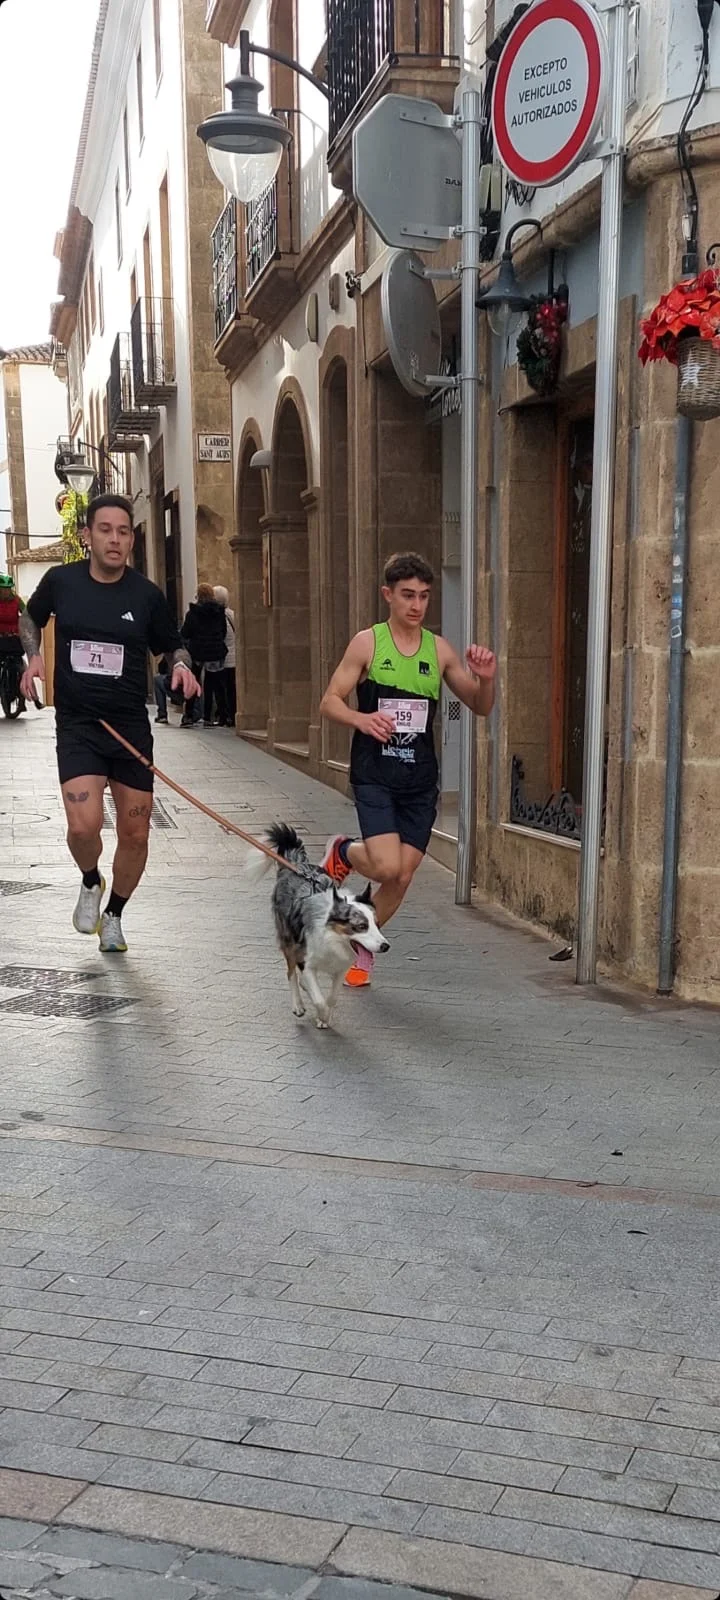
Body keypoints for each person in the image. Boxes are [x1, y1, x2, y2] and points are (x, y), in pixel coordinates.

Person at [19, 494, 201, 952]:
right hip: (79, 724)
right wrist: (34, 657)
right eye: (105, 530)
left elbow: (171, 644)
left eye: (123, 531)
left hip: (129, 729)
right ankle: (89, 880)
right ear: (88, 535)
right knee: (83, 827)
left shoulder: (146, 595)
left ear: (131, 539)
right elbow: (30, 617)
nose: (115, 539)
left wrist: (181, 667)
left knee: (135, 832)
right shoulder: (61, 582)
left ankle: (115, 914)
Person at [319, 550, 497, 988]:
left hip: (419, 780)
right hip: (375, 774)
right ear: (388, 595)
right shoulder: (368, 643)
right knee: (383, 866)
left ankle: (362, 949)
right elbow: (329, 701)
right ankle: (344, 852)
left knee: (402, 874)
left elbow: (479, 705)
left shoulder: (439, 651)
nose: (417, 605)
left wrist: (487, 677)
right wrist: (361, 719)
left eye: (424, 596)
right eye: (407, 595)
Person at [180, 583, 227, 728]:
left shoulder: (193, 613)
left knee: (193, 683)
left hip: (197, 652)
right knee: (214, 685)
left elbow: (185, 633)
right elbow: (223, 632)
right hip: (215, 652)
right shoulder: (219, 612)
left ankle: (189, 715)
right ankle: (213, 716)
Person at [0, 573, 27, 706]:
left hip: (14, 637)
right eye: (3, 588)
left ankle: (31, 696)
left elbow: (26, 613)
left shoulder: (16, 600)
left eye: (8, 588)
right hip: (0, 637)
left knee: (22, 665)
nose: (6, 591)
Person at [214, 584, 236, 727]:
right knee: (232, 688)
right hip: (234, 657)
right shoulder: (232, 614)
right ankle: (233, 715)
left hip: (223, 658)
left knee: (221, 689)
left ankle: (224, 716)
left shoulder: (217, 617)